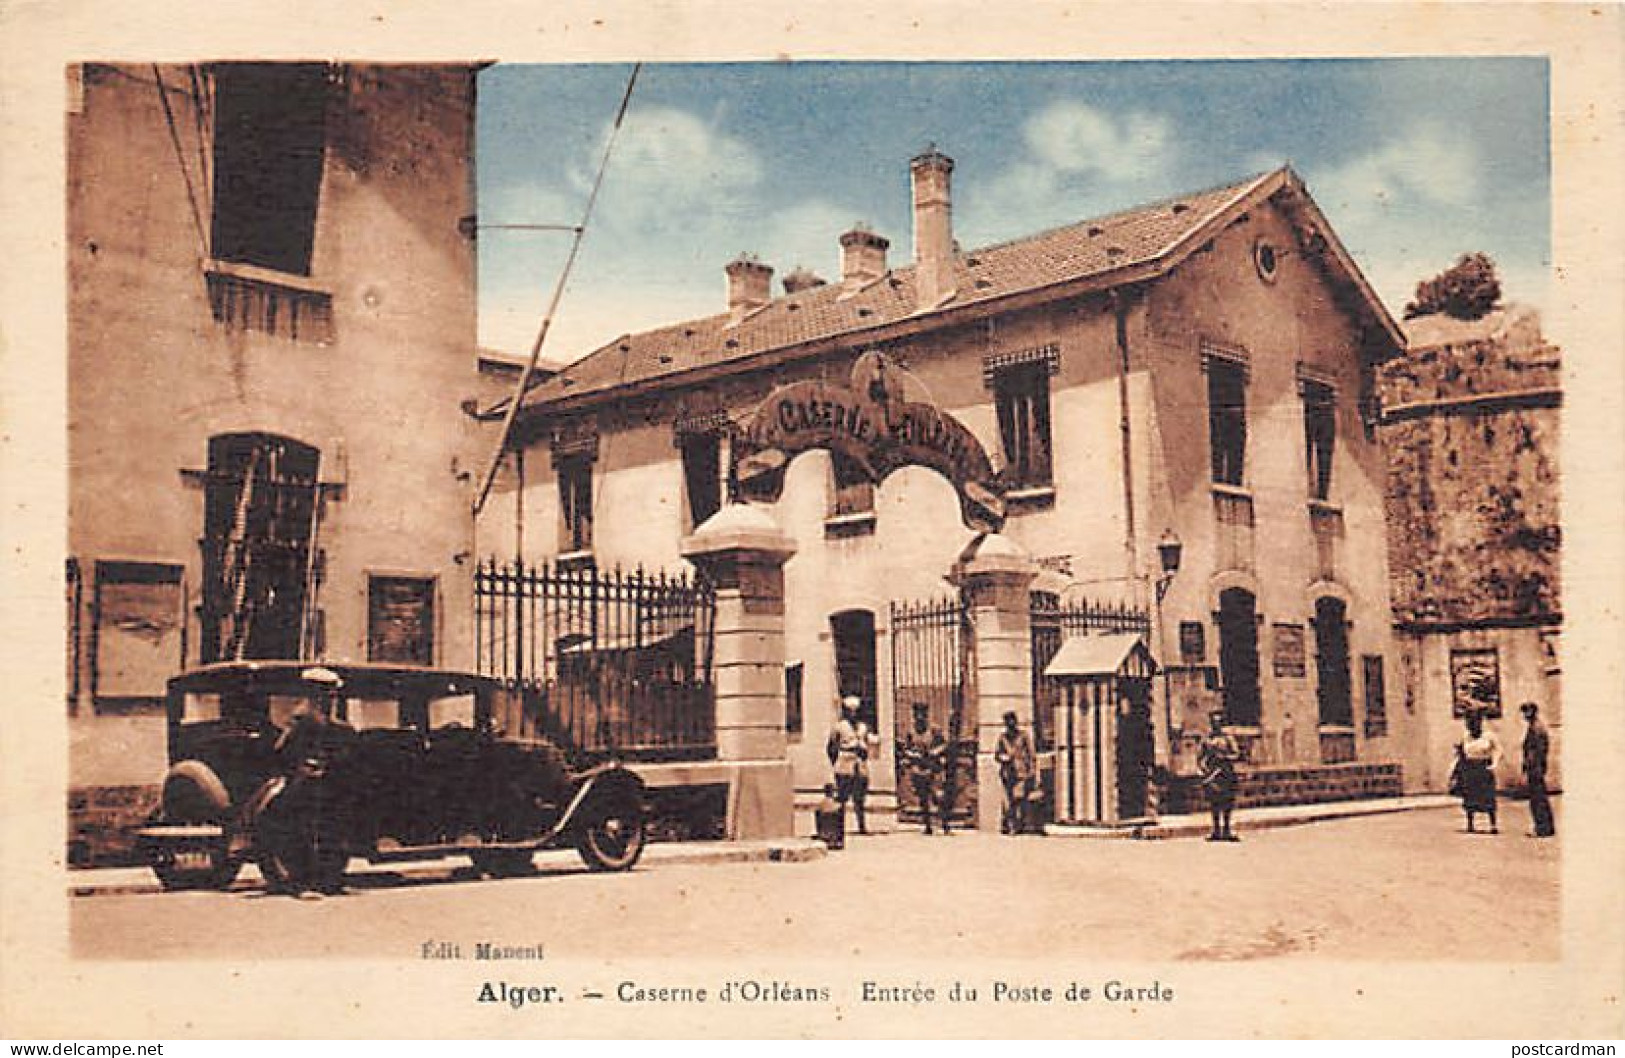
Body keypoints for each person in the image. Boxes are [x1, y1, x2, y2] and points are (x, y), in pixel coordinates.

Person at [265, 667, 356, 897]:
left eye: (332, 694)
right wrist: (304, 768)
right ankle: (301, 885)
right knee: (303, 833)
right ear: (312, 693)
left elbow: (344, 753)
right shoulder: (300, 721)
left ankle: (331, 881)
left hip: (331, 787)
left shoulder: (336, 725)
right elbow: (281, 752)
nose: (329, 698)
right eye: (325, 693)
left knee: (334, 833)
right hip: (305, 787)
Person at [826, 696, 878, 835]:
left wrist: (866, 752)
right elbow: (831, 747)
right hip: (845, 764)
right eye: (850, 711)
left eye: (856, 711)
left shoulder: (863, 727)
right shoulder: (839, 727)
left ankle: (862, 826)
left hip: (860, 765)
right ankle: (838, 827)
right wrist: (836, 763)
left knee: (860, 798)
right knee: (842, 797)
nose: (853, 714)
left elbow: (869, 744)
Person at [897, 702, 950, 835]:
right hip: (918, 768)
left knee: (938, 796)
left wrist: (934, 752)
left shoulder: (934, 730)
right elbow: (906, 749)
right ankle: (927, 825)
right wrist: (913, 755)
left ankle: (944, 823)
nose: (920, 717)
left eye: (923, 715)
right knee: (923, 798)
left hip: (933, 767)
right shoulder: (911, 732)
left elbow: (944, 745)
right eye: (917, 715)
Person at [1452, 710, 1503, 834]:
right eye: (1469, 723)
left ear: (1480, 723)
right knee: (1470, 796)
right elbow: (1461, 754)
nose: (1472, 726)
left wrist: (1494, 764)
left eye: (1474, 723)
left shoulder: (1489, 735)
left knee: (1488, 797)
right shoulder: (1466, 737)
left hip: (1484, 767)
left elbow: (1498, 750)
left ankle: (1493, 824)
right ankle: (1470, 823)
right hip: (1470, 768)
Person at [1197, 710, 1241, 842]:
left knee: (1227, 802)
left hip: (1226, 773)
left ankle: (1226, 830)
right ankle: (1216, 830)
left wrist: (1225, 757)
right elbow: (1201, 757)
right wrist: (1203, 768)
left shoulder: (1228, 739)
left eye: (1218, 722)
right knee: (1214, 802)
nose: (1216, 725)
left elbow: (1236, 754)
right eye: (1213, 722)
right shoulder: (1207, 739)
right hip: (1213, 774)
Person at [995, 710, 1036, 835]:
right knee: (1009, 800)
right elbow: (996, 754)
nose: (1010, 724)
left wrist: (1033, 770)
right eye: (1007, 722)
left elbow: (1031, 753)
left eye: (1012, 721)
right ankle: (1011, 825)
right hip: (1007, 773)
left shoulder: (1023, 736)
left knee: (1019, 798)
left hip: (1021, 771)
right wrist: (1003, 757)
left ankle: (1019, 823)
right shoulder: (1002, 738)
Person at [1519, 701, 1555, 838]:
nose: (1524, 715)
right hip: (1537, 766)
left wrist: (1528, 767)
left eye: (1525, 712)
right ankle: (1545, 827)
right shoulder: (1535, 726)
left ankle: (1542, 828)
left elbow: (1535, 751)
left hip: (1535, 767)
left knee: (1537, 798)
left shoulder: (1536, 728)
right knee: (1539, 797)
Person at [813, 782, 845, 851]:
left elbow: (817, 816)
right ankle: (836, 839)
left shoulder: (821, 804)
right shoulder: (837, 804)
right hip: (834, 830)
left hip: (824, 830)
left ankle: (824, 836)